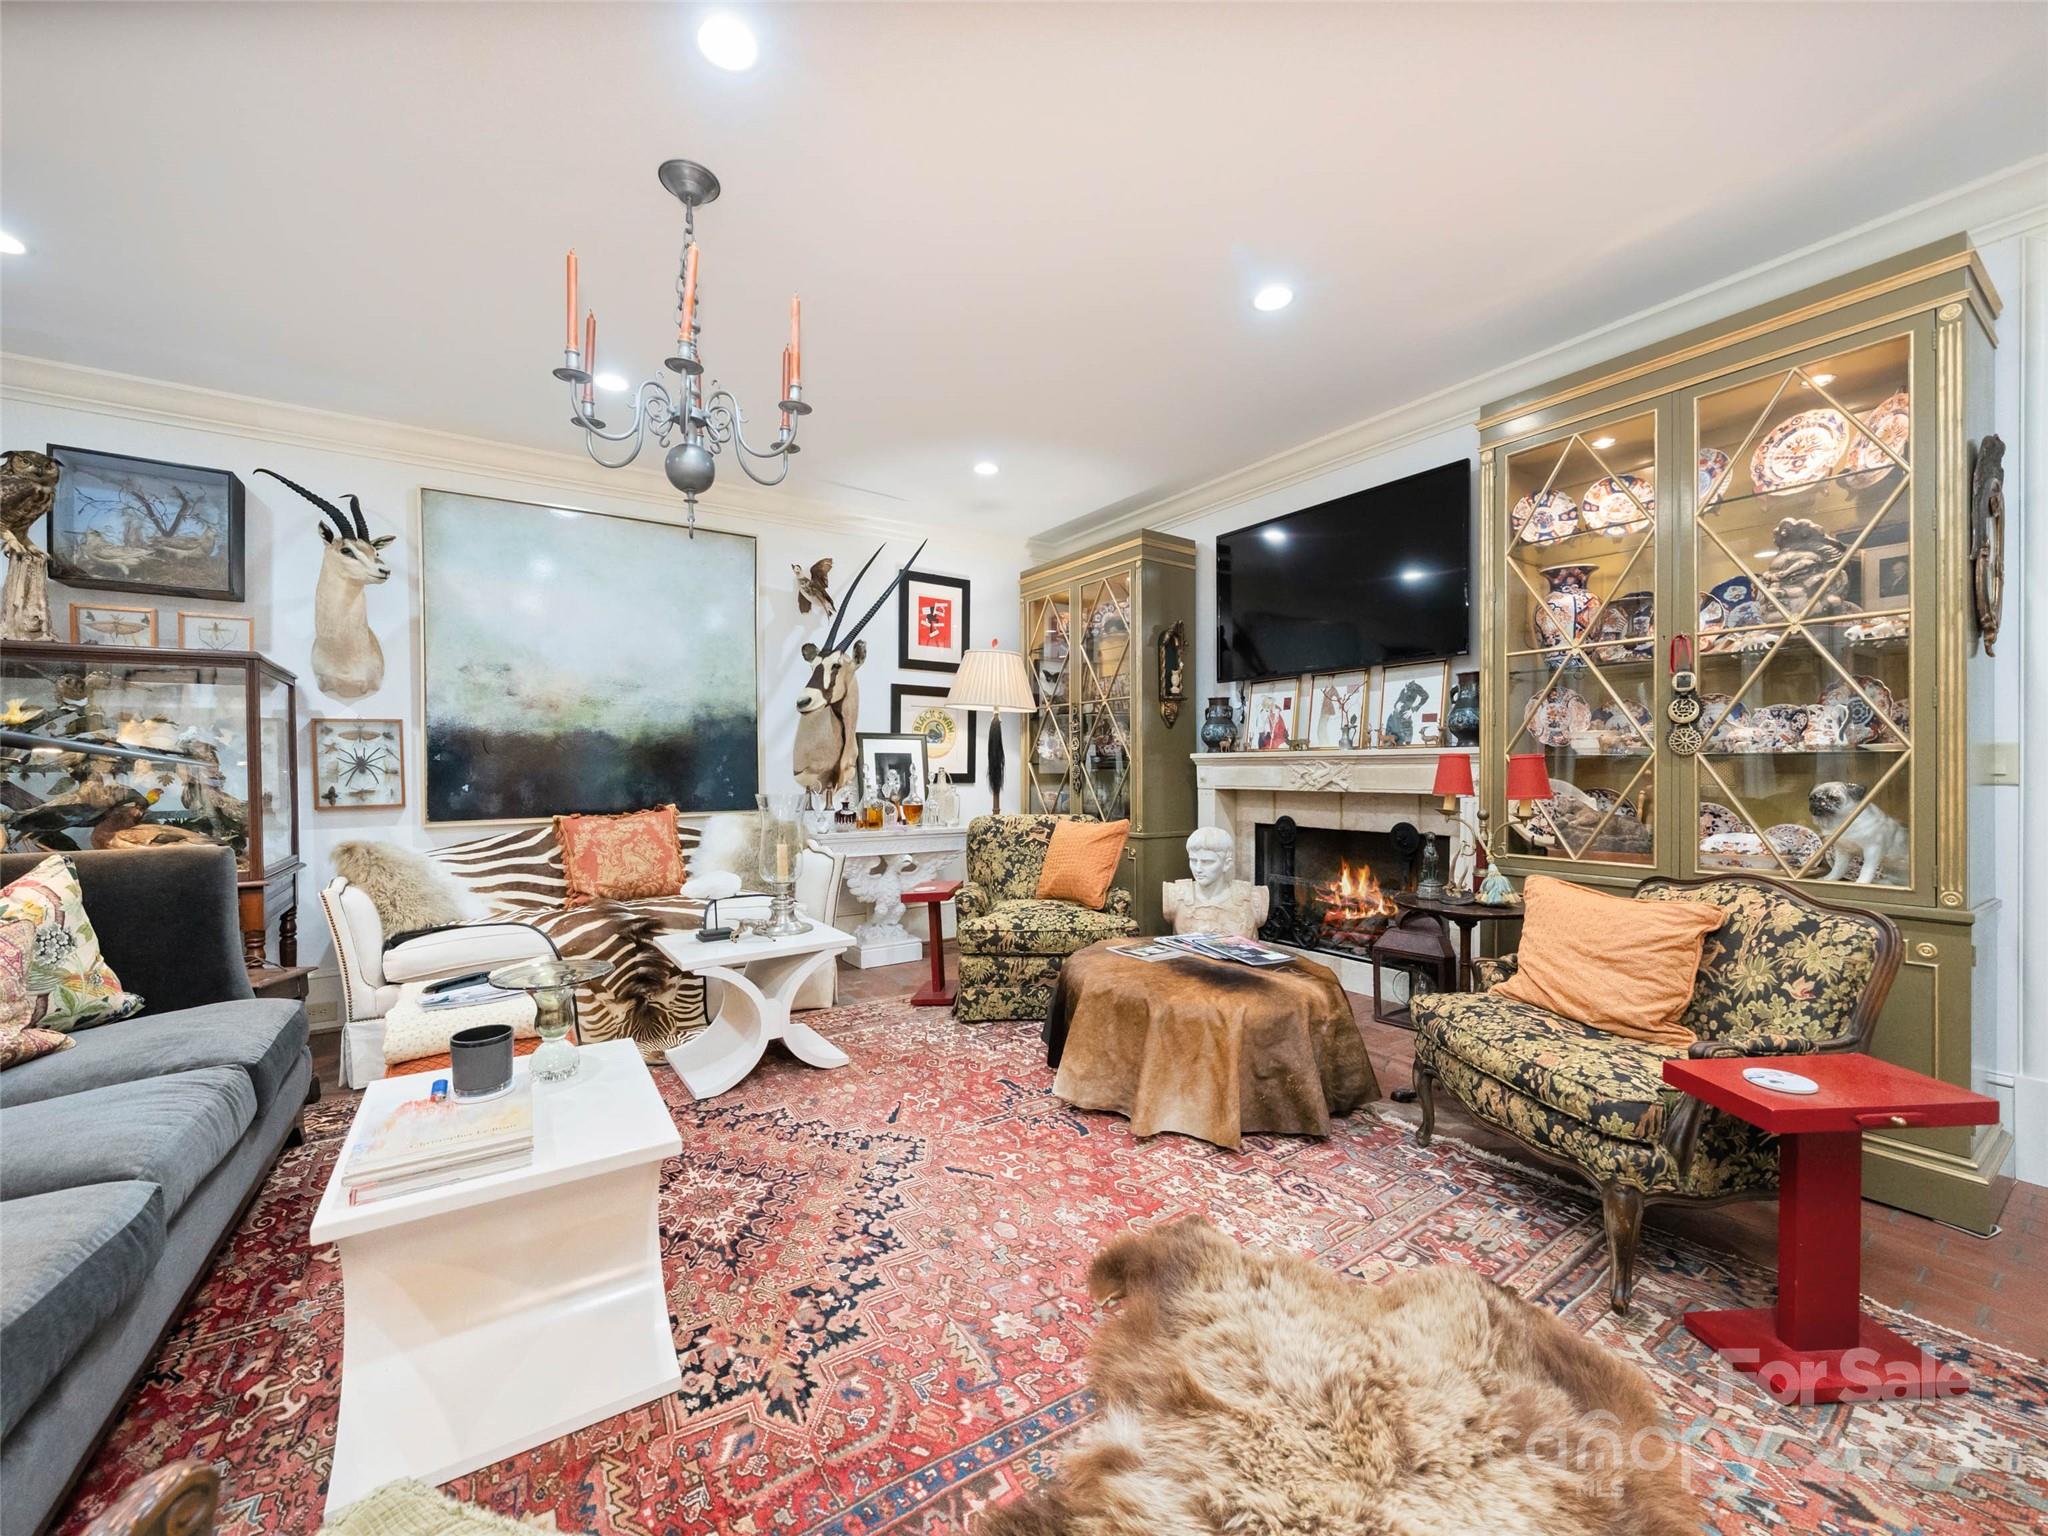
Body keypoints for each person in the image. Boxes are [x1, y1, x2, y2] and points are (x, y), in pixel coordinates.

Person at [1161, 826, 1270, 938]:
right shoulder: (1176, 895)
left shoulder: (1253, 898)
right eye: (1193, 861)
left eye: (1207, 862)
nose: (1198, 869)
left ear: (1226, 864)